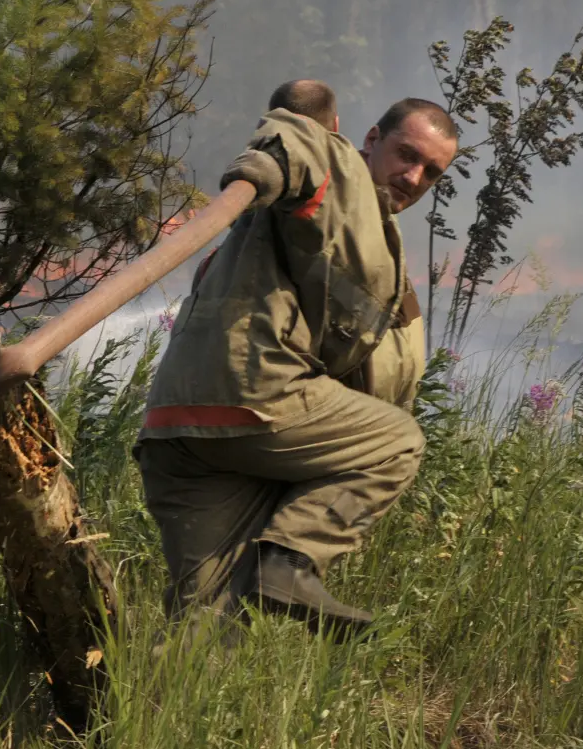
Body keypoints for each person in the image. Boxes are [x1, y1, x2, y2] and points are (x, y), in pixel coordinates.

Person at [135, 81, 458, 646]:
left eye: (431, 173)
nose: (413, 178)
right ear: (372, 138)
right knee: (398, 441)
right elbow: (298, 136)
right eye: (407, 155)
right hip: (251, 395)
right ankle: (286, 565)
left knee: (208, 625)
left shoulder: (374, 237)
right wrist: (269, 157)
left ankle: (115, 726)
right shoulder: (339, 173)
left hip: (181, 427)